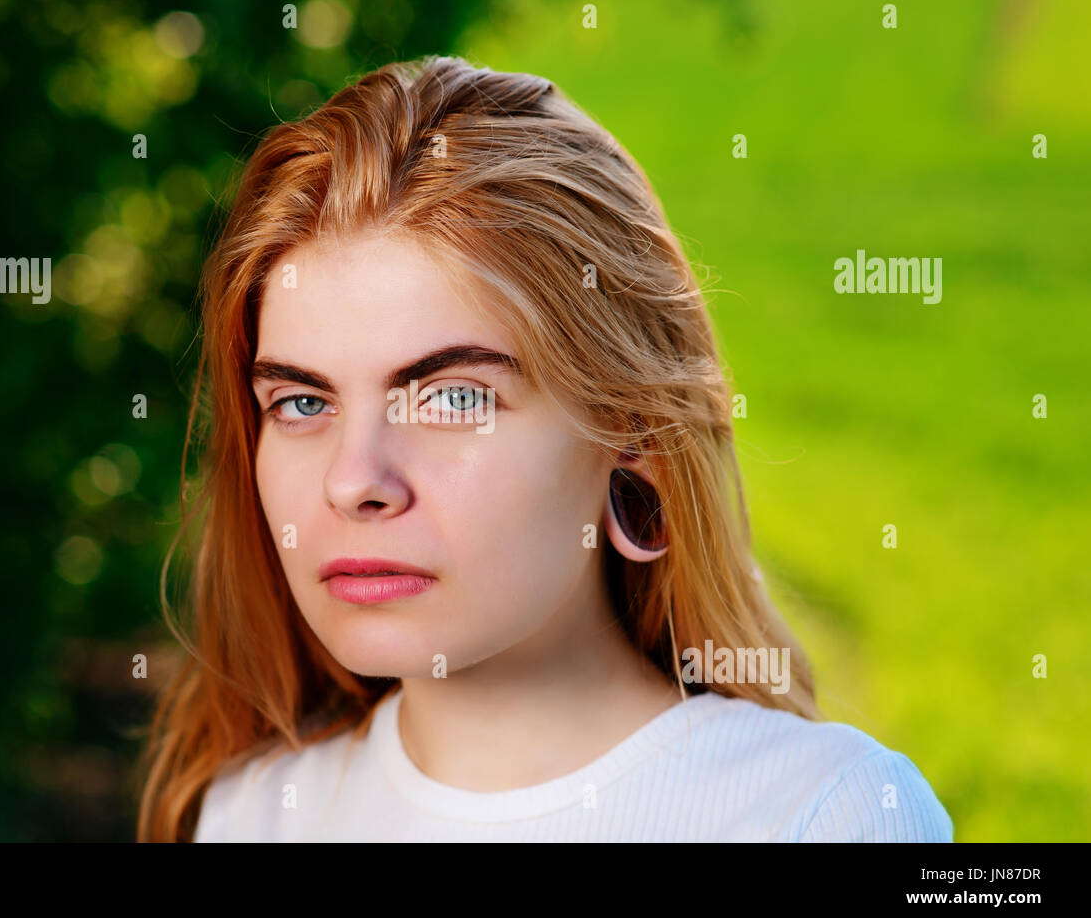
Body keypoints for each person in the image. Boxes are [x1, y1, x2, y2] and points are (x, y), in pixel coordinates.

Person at [137, 55, 952, 842]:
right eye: (303, 401)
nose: (355, 482)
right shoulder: (251, 814)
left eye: (453, 398)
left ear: (634, 436)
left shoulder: (831, 815)